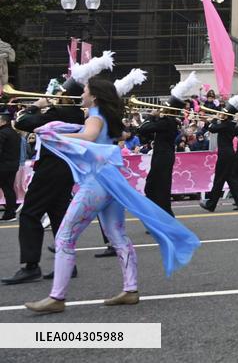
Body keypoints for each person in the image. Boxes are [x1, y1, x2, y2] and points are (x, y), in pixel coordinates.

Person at [24, 76, 200, 314]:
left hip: (97, 182)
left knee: (65, 236)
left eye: (85, 91)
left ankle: (57, 297)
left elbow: (88, 138)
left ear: (94, 95)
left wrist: (56, 136)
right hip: (110, 180)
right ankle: (130, 289)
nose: (82, 94)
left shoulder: (95, 114)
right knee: (117, 234)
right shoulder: (101, 114)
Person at [2, 56, 100, 286]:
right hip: (63, 171)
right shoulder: (74, 114)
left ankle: (30, 266)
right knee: (58, 216)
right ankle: (68, 264)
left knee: (29, 213)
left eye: (60, 93)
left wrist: (36, 105)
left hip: (50, 169)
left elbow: (23, 122)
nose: (56, 96)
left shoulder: (59, 114)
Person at [199, 91, 238, 212]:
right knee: (230, 178)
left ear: (227, 116)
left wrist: (209, 121)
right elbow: (213, 128)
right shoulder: (228, 124)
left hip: (225, 154)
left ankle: (211, 204)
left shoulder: (226, 125)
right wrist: (212, 120)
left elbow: (212, 129)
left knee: (219, 179)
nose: (220, 114)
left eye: (223, 113)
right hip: (228, 153)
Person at [0, 111, 20, 221]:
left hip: (3, 165)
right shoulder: (14, 133)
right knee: (9, 189)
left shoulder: (2, 133)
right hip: (13, 165)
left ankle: (10, 213)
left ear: (3, 121)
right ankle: (10, 214)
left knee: (8, 189)